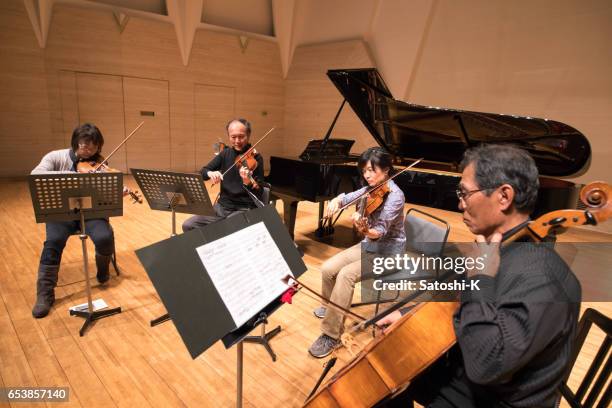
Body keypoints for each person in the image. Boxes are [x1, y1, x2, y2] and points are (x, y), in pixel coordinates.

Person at [378, 144, 581, 407]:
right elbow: (458, 303)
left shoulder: (544, 279)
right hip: (467, 370)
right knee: (384, 383)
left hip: (493, 395)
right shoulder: (498, 250)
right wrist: (408, 317)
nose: (459, 203)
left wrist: (482, 278)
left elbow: (486, 363)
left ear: (504, 196)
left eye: (464, 193)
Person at [308, 147, 406, 358]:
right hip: (369, 246)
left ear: (387, 169)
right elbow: (345, 198)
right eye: (364, 171)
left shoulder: (395, 196)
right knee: (327, 268)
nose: (367, 175)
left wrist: (364, 230)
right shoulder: (370, 190)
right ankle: (330, 307)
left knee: (346, 275)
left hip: (387, 252)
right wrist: (335, 202)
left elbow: (378, 232)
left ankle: (331, 335)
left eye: (372, 170)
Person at [30, 123, 117, 318]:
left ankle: (103, 269)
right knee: (53, 242)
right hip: (61, 212)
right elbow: (36, 175)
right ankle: (45, 294)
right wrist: (72, 175)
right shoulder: (55, 156)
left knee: (104, 237)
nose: (89, 152)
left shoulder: (99, 164)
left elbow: (107, 191)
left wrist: (116, 191)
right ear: (75, 143)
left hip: (91, 211)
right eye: (85, 146)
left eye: (94, 148)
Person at [182, 118, 265, 231]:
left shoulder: (256, 158)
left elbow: (259, 192)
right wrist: (210, 173)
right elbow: (203, 172)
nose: (237, 141)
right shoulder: (225, 154)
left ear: (248, 135)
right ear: (228, 136)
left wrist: (247, 181)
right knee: (189, 225)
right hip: (222, 207)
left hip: (244, 208)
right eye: (233, 137)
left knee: (224, 229)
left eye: (241, 136)